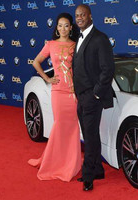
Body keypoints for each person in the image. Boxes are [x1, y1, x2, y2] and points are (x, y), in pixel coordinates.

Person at [28, 13, 82, 182]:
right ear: (56, 28)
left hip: (73, 93)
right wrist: (47, 78)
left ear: (71, 28)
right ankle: (53, 162)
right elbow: (36, 62)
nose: (63, 28)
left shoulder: (76, 45)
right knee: (59, 125)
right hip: (58, 92)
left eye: (66, 25)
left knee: (72, 127)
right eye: (60, 25)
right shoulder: (50, 45)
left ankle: (70, 163)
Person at [73, 4, 115, 191]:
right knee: (90, 135)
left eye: (83, 14)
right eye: (77, 15)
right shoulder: (79, 38)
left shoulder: (100, 38)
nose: (79, 17)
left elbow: (108, 70)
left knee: (89, 138)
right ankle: (97, 169)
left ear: (90, 16)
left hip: (92, 96)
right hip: (81, 96)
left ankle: (88, 175)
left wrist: (96, 93)